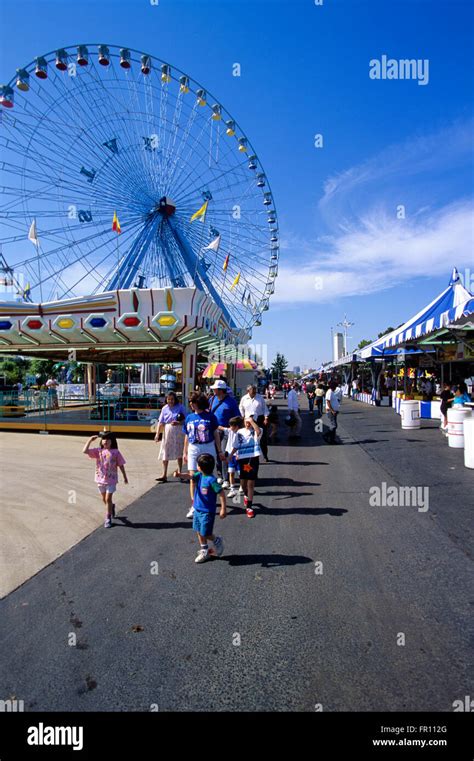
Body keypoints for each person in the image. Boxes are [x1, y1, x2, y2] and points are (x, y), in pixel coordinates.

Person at [183, 393, 225, 519]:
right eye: (190, 402)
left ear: (199, 403)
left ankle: (208, 500)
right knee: (193, 477)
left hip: (208, 446)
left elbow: (215, 433)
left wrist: (219, 451)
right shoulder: (189, 417)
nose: (191, 404)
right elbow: (186, 435)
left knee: (208, 476)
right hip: (193, 447)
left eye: (193, 401)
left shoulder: (210, 416)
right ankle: (194, 505)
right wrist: (184, 452)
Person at [83, 432, 128, 528]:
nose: (106, 441)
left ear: (112, 441)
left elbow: (121, 465)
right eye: (104, 439)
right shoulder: (98, 451)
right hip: (100, 479)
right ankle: (111, 507)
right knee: (104, 499)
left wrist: (124, 476)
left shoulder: (116, 452)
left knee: (108, 499)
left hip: (111, 480)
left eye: (108, 439)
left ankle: (108, 518)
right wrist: (90, 440)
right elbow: (85, 451)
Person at [191, 453, 226, 563]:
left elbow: (221, 493)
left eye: (197, 465)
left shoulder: (211, 480)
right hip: (197, 509)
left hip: (207, 512)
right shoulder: (199, 475)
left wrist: (223, 508)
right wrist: (179, 475)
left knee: (205, 533)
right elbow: (189, 477)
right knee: (198, 530)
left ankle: (217, 540)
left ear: (200, 467)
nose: (197, 467)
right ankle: (204, 551)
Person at [228, 415, 263, 518]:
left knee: (251, 483)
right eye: (246, 421)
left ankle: (249, 507)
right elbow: (236, 445)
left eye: (249, 421)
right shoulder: (240, 432)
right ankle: (246, 496)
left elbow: (258, 432)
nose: (247, 423)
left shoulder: (256, 430)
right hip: (242, 459)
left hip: (253, 459)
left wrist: (251, 421)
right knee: (243, 484)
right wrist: (230, 455)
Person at [209, 379, 241, 487]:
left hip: (227, 431)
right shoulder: (212, 399)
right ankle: (220, 475)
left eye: (215, 389)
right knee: (217, 453)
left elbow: (238, 416)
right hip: (215, 430)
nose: (213, 390)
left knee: (223, 453)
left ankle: (226, 478)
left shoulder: (231, 402)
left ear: (221, 390)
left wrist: (234, 428)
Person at [154, 392, 186, 482]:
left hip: (179, 431)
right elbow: (161, 422)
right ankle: (164, 474)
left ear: (175, 399)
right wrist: (157, 434)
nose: (170, 401)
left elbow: (186, 419)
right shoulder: (164, 408)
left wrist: (179, 422)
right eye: (168, 399)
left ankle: (180, 472)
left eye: (172, 399)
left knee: (179, 452)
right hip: (167, 431)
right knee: (165, 452)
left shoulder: (180, 407)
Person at [239, 384, 270, 461]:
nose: (254, 392)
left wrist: (266, 418)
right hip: (248, 420)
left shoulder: (260, 398)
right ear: (248, 391)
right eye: (253, 391)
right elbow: (241, 408)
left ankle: (265, 455)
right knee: (248, 438)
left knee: (262, 439)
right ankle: (249, 455)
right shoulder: (244, 398)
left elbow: (265, 409)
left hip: (259, 419)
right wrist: (243, 416)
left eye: (255, 391)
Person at [225, 416, 243, 497]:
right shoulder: (230, 431)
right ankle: (232, 489)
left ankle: (242, 487)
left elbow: (238, 446)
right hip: (230, 456)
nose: (230, 427)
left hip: (238, 456)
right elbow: (222, 428)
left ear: (237, 426)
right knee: (231, 472)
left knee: (241, 474)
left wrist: (235, 455)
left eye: (231, 425)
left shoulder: (241, 434)